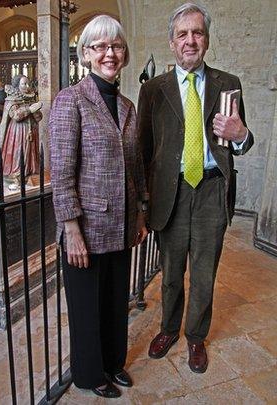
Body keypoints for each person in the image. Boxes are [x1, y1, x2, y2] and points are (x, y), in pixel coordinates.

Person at [137, 2, 254, 374]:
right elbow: (143, 147)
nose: (190, 40)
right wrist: (142, 203)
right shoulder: (154, 89)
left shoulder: (228, 83)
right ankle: (169, 328)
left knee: (204, 273)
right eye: (182, 34)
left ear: (207, 39)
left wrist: (241, 135)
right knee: (170, 272)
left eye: (197, 32)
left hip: (210, 192)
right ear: (172, 42)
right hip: (170, 192)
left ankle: (195, 337)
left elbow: (242, 139)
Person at [49, 15, 148, 398]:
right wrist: (71, 230)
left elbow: (137, 164)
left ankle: (113, 363)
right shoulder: (69, 100)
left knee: (113, 302)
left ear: (124, 54)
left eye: (116, 46)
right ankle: (90, 374)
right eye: (100, 46)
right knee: (87, 308)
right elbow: (61, 171)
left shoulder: (126, 105)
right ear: (86, 53)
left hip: (121, 225)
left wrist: (140, 211)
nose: (109, 53)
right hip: (86, 230)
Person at [0, 74, 42, 182]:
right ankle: (16, 172)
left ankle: (30, 171)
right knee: (18, 151)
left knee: (30, 151)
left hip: (31, 130)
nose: (27, 86)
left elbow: (38, 118)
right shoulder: (11, 100)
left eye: (28, 83)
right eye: (24, 84)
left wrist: (36, 111)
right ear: (17, 85)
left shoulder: (30, 98)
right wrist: (29, 109)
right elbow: (15, 116)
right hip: (17, 131)